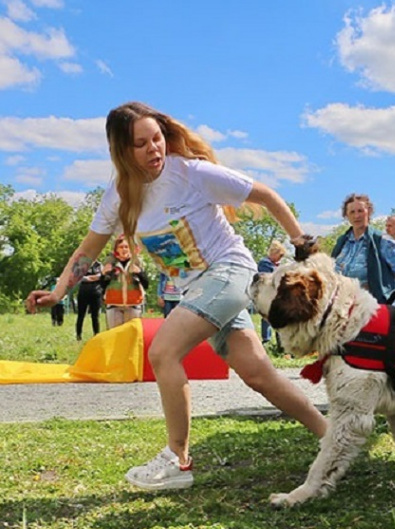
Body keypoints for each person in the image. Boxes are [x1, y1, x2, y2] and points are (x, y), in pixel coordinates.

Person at [25, 101, 328, 491]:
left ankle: (178, 459)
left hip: (229, 271)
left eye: (157, 139)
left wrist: (302, 243)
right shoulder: (118, 196)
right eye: (142, 143)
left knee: (163, 351)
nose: (155, 149)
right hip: (198, 289)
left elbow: (266, 195)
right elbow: (87, 250)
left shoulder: (191, 174)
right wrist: (58, 291)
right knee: (258, 374)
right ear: (122, 151)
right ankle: (333, 435)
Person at [331, 193, 395, 302]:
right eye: (352, 212)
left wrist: (379, 284)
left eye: (360, 211)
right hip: (343, 304)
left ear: (368, 212)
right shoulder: (342, 242)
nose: (356, 216)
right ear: (346, 216)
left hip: (373, 305)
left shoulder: (383, 241)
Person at [101, 235, 149, 328]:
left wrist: (140, 273)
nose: (124, 249)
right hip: (114, 305)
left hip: (133, 305)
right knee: (114, 336)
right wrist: (103, 275)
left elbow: (146, 284)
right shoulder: (110, 262)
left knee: (132, 336)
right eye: (121, 247)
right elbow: (102, 286)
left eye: (126, 247)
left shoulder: (137, 262)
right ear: (116, 249)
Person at [256, 240, 286, 344]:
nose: (280, 258)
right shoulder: (264, 264)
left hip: (276, 294)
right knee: (267, 317)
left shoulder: (277, 265)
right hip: (266, 294)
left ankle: (281, 342)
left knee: (279, 317)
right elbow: (266, 278)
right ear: (274, 253)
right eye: (280, 255)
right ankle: (266, 340)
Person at [75, 260, 103, 340]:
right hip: (83, 293)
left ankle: (96, 335)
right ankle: (78, 336)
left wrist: (88, 278)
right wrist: (93, 278)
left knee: (95, 316)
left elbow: (102, 276)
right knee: (81, 315)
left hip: (96, 293)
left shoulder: (99, 265)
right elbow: (78, 277)